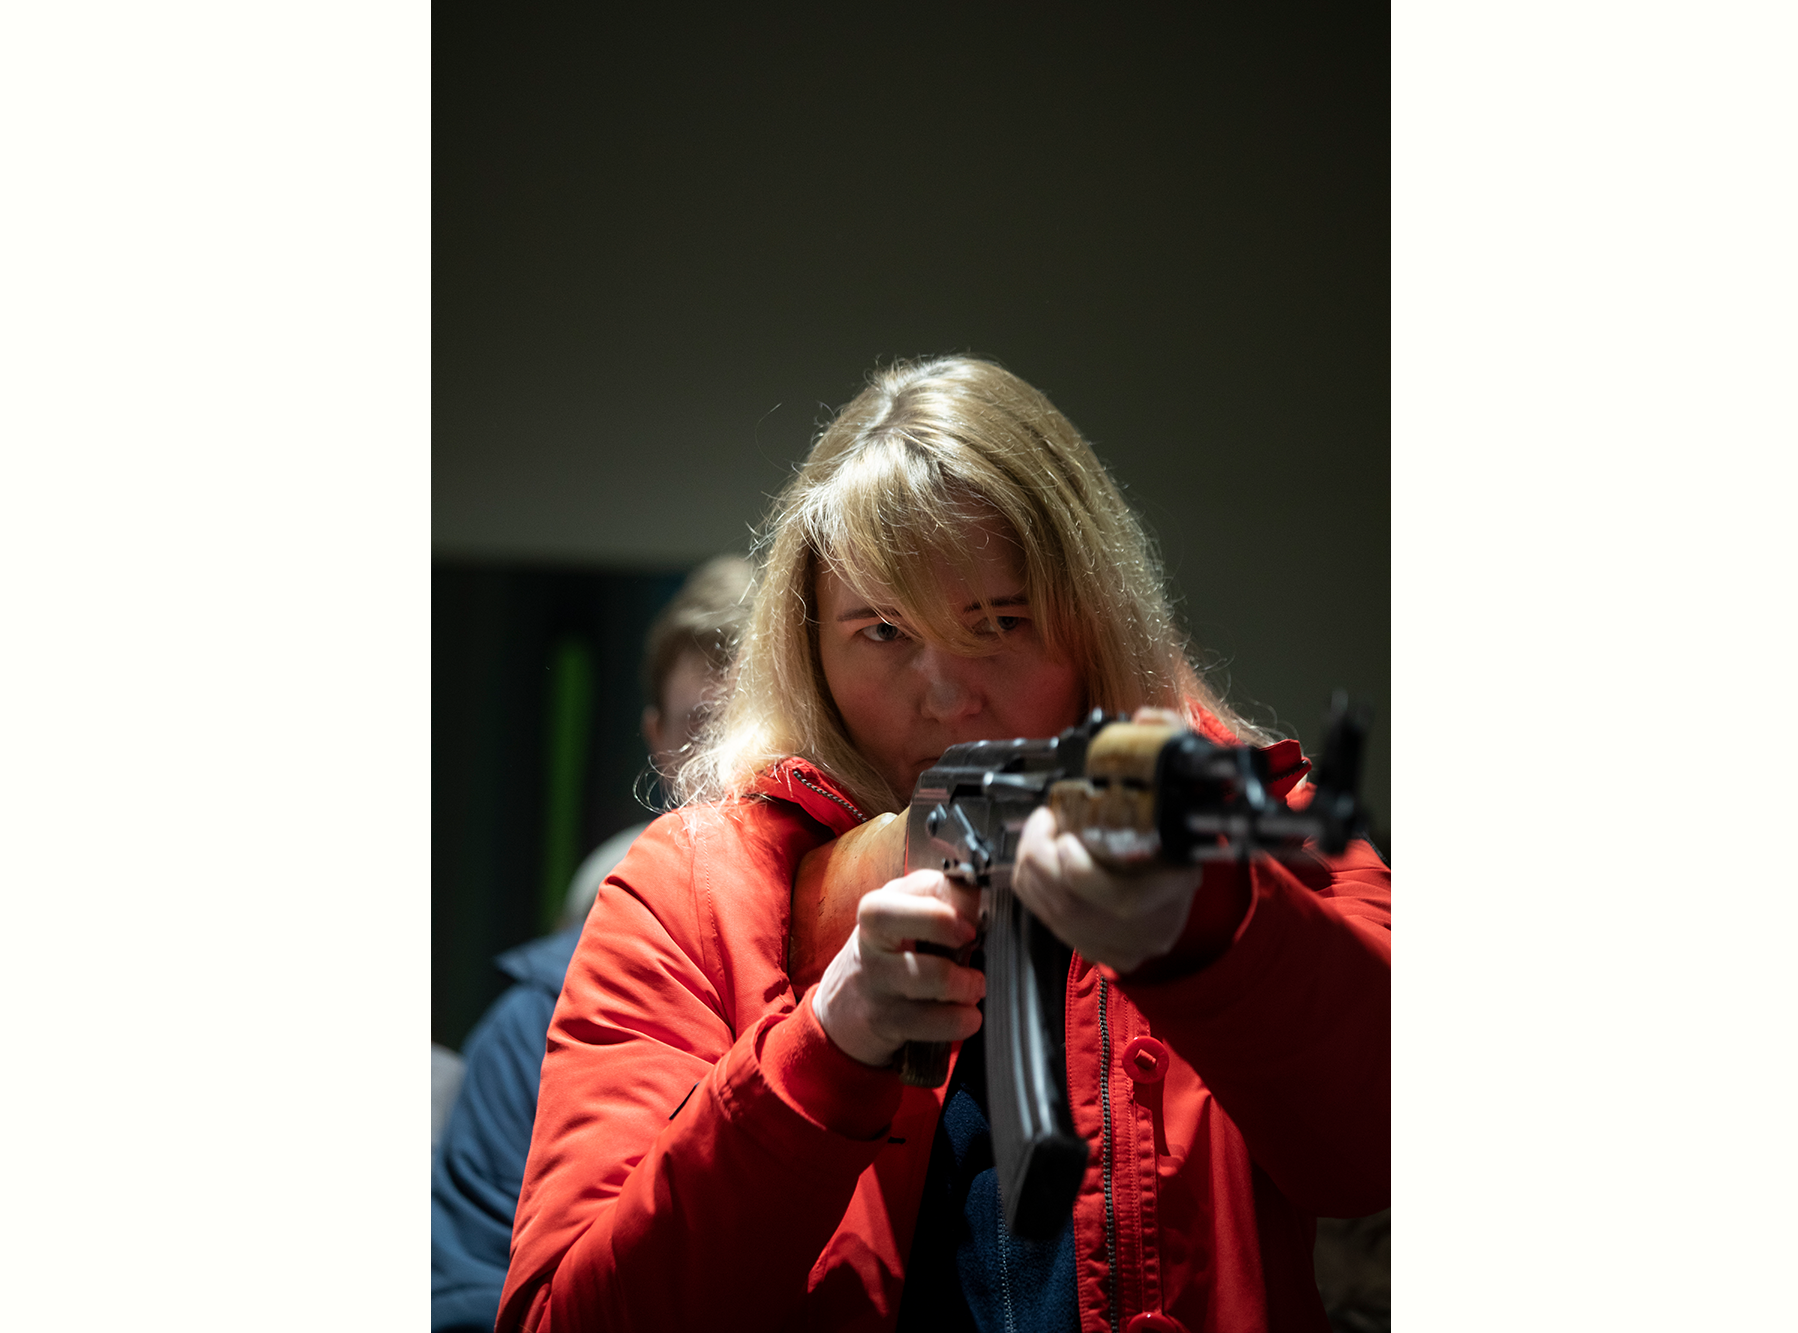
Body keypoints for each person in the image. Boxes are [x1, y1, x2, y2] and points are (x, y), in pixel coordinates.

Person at [499, 359, 1389, 1332]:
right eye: (883, 631)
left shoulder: (1240, 825)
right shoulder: (693, 894)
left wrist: (1219, 930)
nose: (948, 693)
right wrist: (825, 1045)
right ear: (809, 646)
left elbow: (1378, 1145)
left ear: (1094, 621)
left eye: (1000, 622)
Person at [429, 555, 754, 1332]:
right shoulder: (529, 1028)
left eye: (759, 726)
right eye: (701, 729)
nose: (729, 765)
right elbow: (469, 1297)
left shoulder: (896, 979)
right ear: (657, 742)